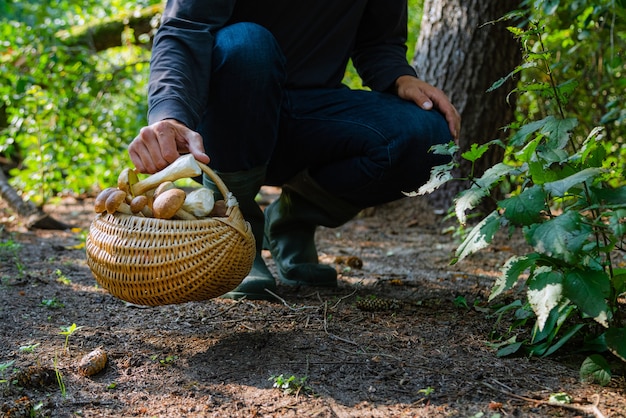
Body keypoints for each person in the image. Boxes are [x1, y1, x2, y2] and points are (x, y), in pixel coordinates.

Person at [128, 0, 461, 301]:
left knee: (430, 136)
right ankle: (235, 231)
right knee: (247, 44)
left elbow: (379, 42)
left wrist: (399, 76)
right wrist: (169, 114)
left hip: (312, 115)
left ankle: (291, 221)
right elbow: (185, 27)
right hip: (232, 114)